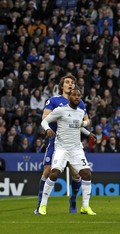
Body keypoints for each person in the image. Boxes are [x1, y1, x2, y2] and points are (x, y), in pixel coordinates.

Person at [34, 75, 91, 214]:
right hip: (56, 140)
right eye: (67, 82)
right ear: (62, 86)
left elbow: (86, 120)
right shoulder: (54, 101)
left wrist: (84, 125)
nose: (70, 84)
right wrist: (51, 126)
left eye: (73, 82)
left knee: (77, 174)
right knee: (48, 171)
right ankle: (40, 204)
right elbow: (44, 118)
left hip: (73, 142)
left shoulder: (79, 102)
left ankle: (73, 201)